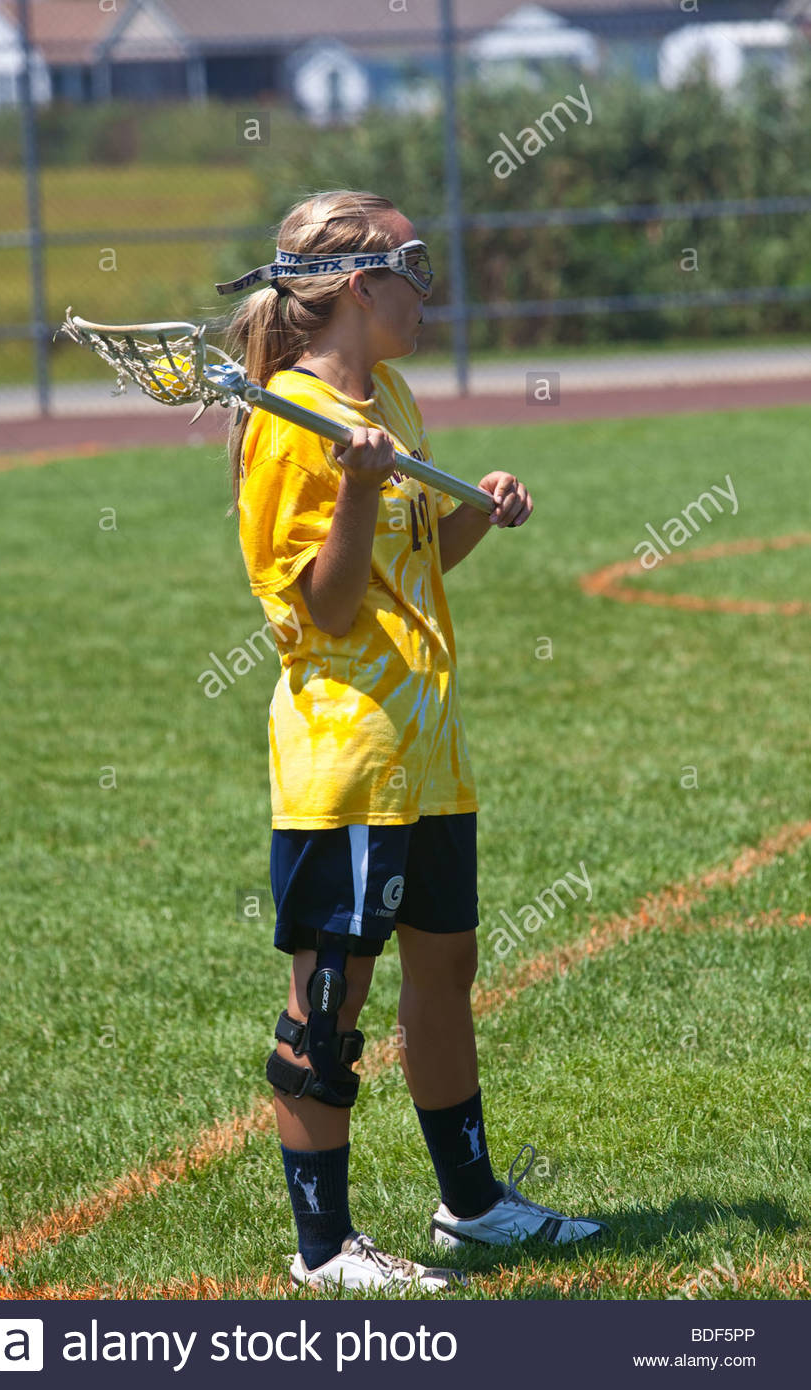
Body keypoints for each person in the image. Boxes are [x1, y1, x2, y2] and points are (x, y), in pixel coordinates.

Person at [221, 189, 605, 1291]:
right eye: (413, 268)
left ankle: (471, 1205)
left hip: (427, 744)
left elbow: (413, 561)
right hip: (347, 759)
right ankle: (322, 1246)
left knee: (445, 965)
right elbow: (329, 607)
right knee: (328, 998)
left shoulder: (384, 393)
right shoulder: (289, 425)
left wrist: (471, 511)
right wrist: (352, 486)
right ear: (357, 285)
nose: (427, 293)